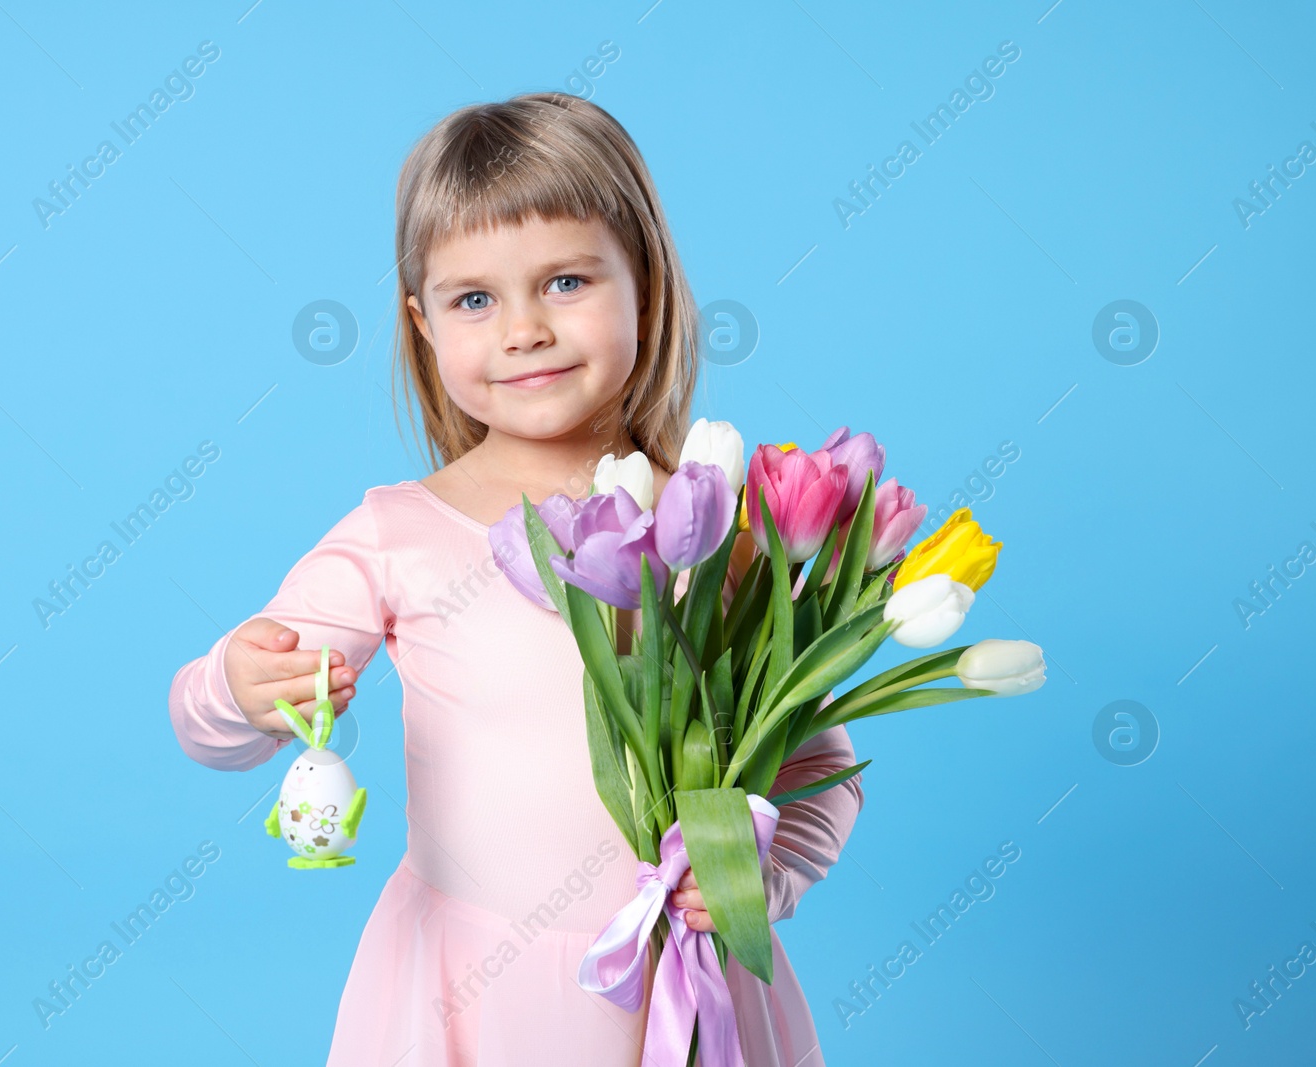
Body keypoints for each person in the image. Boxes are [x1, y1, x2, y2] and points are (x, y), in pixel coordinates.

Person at [167, 91, 863, 1066]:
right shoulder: (395, 535)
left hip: (676, 982)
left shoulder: (722, 535)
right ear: (423, 323)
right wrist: (238, 689)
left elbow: (818, 762)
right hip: (467, 990)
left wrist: (760, 874)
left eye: (567, 281)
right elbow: (216, 723)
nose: (523, 329)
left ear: (647, 286)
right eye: (475, 299)